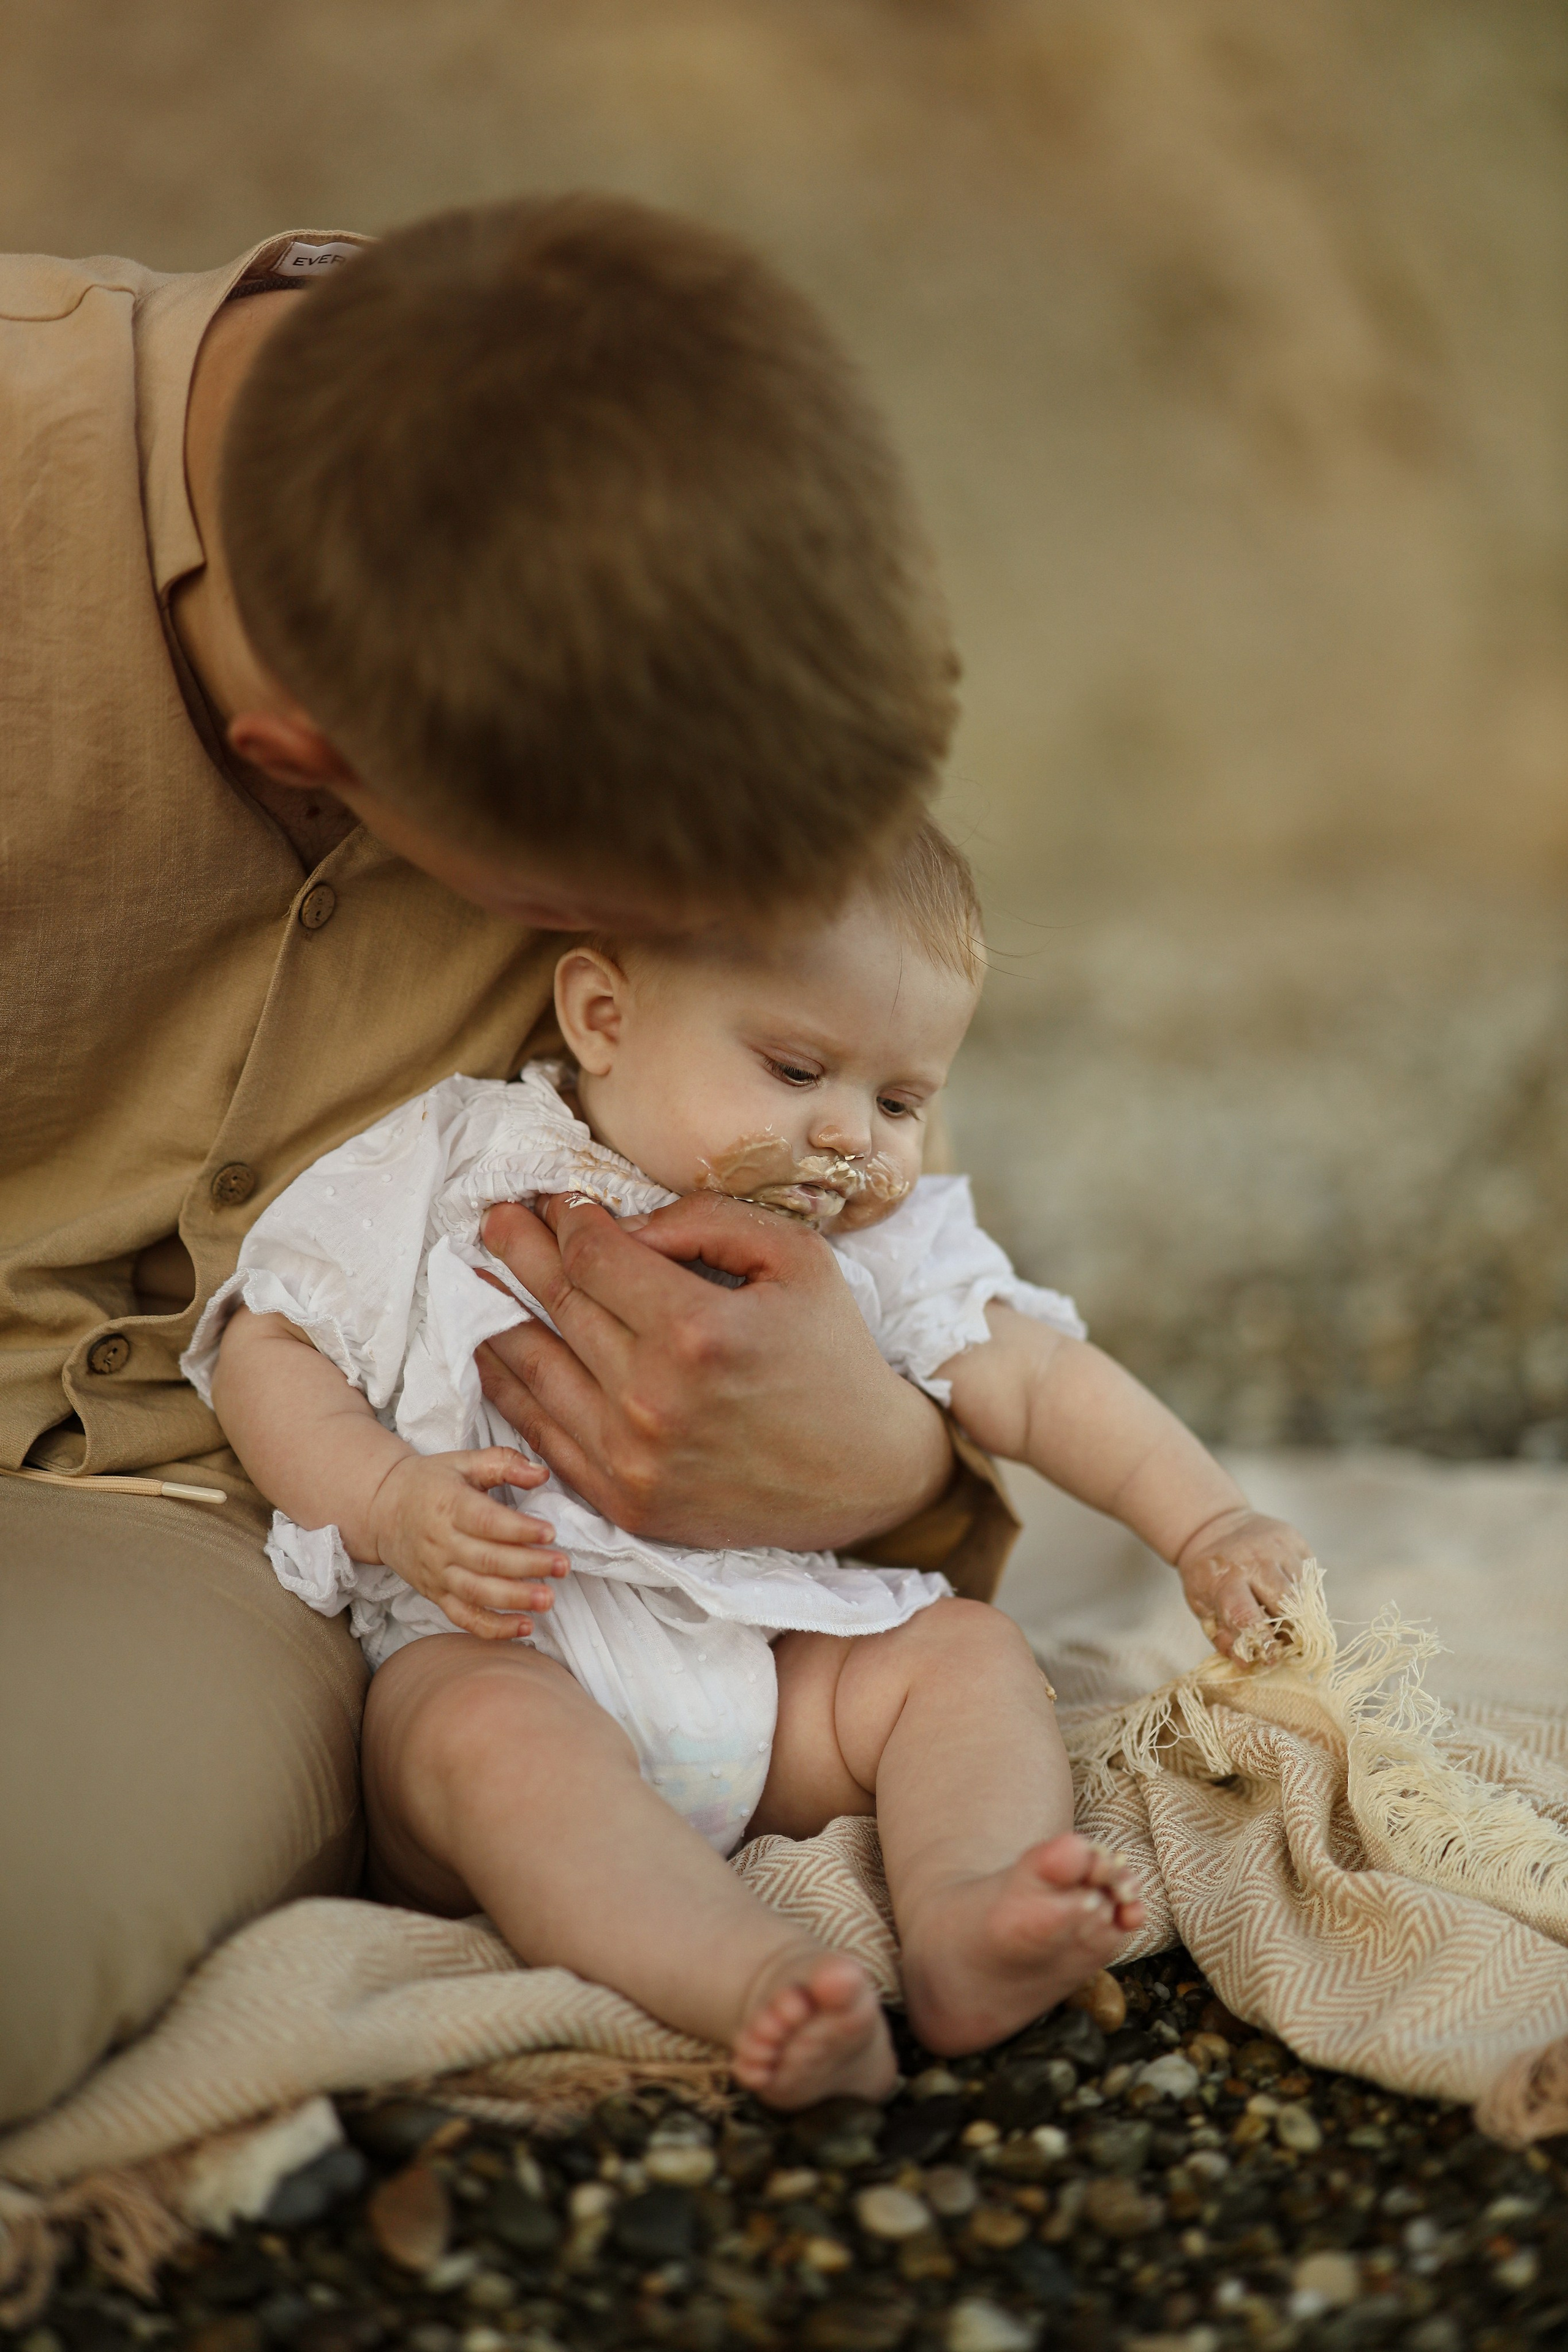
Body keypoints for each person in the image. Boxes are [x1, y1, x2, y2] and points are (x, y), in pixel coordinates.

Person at [0, 197, 1020, 2124]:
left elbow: (892, 1265)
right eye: (587, 921)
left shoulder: (678, 599)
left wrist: (878, 1451)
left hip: (255, 1560)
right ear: (298, 753)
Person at [190, 820, 1312, 2107]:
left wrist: (1207, 1521)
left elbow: (1039, 1379)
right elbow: (266, 1343)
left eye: (900, 1102)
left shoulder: (877, 1243)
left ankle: (965, 1913)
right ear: (603, 1016)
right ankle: (747, 1977)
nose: (849, 1139)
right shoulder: (458, 1160)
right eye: (794, 1069)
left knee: (961, 1660)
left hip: (776, 1688)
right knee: (476, 1740)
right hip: (505, 1646)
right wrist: (386, 1500)